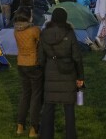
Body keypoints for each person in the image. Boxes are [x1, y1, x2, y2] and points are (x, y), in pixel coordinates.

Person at [38, 8, 84, 139]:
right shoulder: (69, 33)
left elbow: (40, 58)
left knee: (48, 108)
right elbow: (77, 57)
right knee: (69, 108)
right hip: (68, 72)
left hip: (50, 72)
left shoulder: (44, 33)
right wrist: (81, 76)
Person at [14, 7, 43, 138]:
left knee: (25, 95)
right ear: (28, 17)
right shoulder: (34, 30)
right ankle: (33, 128)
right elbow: (42, 43)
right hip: (33, 64)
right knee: (36, 96)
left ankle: (20, 125)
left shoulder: (16, 31)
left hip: (21, 64)